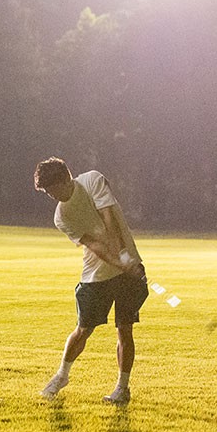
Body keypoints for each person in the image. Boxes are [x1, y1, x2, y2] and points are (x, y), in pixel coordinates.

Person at [34, 157, 148, 405]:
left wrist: (127, 258)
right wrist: (120, 262)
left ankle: (122, 388)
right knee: (83, 329)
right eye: (47, 192)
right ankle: (62, 376)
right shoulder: (61, 217)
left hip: (128, 266)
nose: (51, 196)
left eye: (52, 189)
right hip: (96, 275)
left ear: (66, 179)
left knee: (125, 329)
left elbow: (110, 219)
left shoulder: (92, 180)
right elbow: (94, 244)